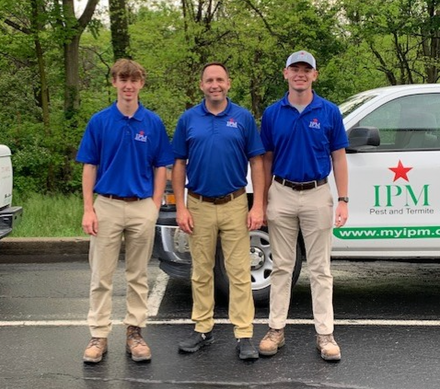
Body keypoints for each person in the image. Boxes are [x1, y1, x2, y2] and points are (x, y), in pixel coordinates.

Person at [76, 59, 174, 363]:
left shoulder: (153, 123)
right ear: (114, 83)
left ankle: (135, 333)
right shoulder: (100, 121)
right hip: (105, 205)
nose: (128, 86)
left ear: (141, 84)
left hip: (140, 206)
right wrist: (88, 209)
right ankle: (99, 335)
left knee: (138, 275)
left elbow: (162, 166)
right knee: (101, 275)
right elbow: (89, 166)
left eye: (133, 80)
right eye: (122, 79)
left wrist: (154, 205)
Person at [258, 51, 349, 361]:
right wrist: (263, 198)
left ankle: (325, 335)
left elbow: (339, 157)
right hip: (281, 192)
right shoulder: (272, 113)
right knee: (282, 267)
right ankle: (275, 330)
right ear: (285, 74)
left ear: (314, 75)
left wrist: (344, 200)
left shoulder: (329, 111)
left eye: (306, 69)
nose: (300, 74)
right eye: (294, 68)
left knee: (321, 270)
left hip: (317, 193)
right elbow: (266, 159)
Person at [172, 62, 265, 360]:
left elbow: (257, 163)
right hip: (198, 204)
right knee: (201, 272)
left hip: (235, 203)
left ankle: (244, 334)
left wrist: (258, 204)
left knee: (239, 272)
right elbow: (178, 164)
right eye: (209, 80)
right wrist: (181, 206)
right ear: (201, 85)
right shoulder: (188, 120)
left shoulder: (243, 118)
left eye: (220, 80)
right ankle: (203, 329)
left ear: (229, 83)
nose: (215, 84)